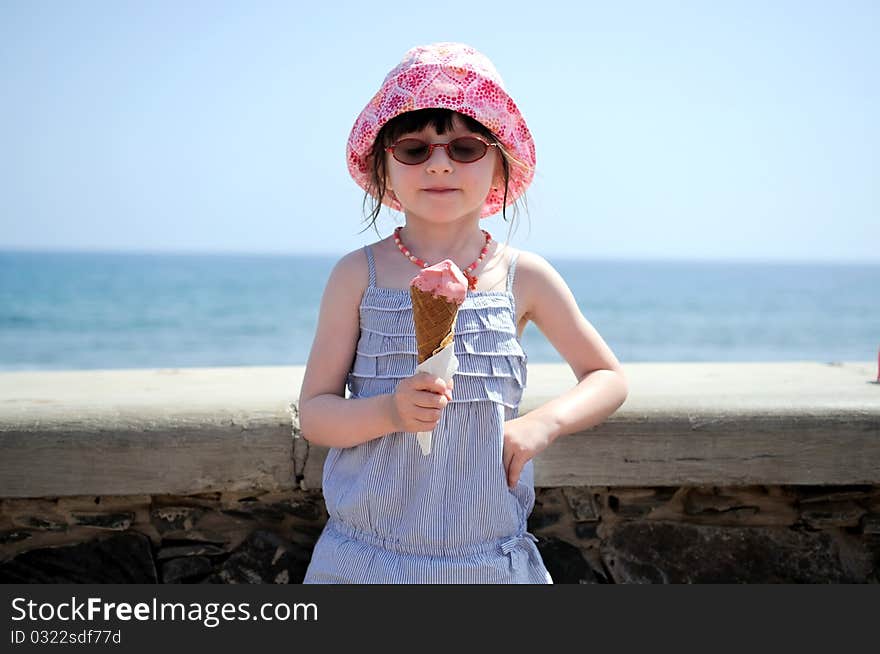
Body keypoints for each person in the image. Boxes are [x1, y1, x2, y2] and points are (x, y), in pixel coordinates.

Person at [298, 42, 628, 583]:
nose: (440, 163)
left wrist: (541, 426)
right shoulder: (358, 275)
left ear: (499, 163)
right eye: (414, 149)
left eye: (466, 146)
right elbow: (315, 413)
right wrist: (390, 413)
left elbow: (608, 377)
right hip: (366, 560)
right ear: (385, 166)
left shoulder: (525, 276)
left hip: (487, 562)